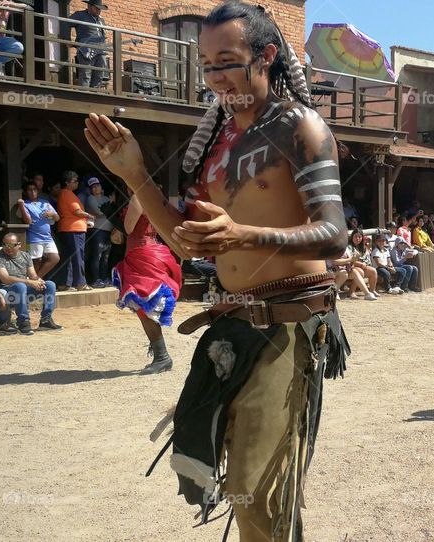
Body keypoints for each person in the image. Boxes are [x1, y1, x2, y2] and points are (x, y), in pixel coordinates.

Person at [84, 3, 349, 539]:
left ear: (266, 55)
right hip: (233, 325)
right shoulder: (216, 146)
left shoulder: (301, 127)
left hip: (287, 326)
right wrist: (135, 175)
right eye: (206, 64)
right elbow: (184, 241)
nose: (214, 77)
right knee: (253, 489)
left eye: (226, 61)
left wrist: (245, 235)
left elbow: (334, 234)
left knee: (256, 487)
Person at [111, 193, 181, 373]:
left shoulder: (138, 196)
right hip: (152, 250)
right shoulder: (155, 198)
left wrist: (115, 219)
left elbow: (128, 228)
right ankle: (160, 354)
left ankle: (162, 356)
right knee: (144, 306)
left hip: (140, 254)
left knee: (144, 307)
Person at [0, 233, 62, 334]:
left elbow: (33, 275)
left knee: (50, 285)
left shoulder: (25, 255)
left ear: (18, 244)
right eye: (4, 245)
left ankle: (46, 320)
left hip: (23, 290)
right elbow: (5, 279)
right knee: (20, 286)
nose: (7, 248)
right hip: (7, 291)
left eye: (11, 245)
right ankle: (23, 322)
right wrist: (29, 282)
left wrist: (38, 281)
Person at [56, 171, 93, 290]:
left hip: (67, 228)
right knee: (78, 256)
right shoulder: (67, 193)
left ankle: (64, 283)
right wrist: (89, 215)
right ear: (67, 182)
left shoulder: (64, 193)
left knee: (68, 257)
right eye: (74, 181)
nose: (77, 183)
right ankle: (80, 283)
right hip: (73, 229)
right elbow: (76, 211)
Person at [16, 181, 60, 278]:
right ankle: (33, 281)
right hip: (34, 237)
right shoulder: (26, 204)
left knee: (55, 258)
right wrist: (21, 206)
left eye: (34, 189)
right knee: (36, 261)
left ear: (38, 191)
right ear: (25, 192)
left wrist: (52, 214)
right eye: (29, 190)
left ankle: (36, 279)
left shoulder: (45, 202)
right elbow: (28, 221)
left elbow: (57, 218)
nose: (32, 192)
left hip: (47, 237)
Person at [63, 0, 109, 88]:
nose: (99, 11)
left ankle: (95, 96)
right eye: (97, 8)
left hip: (100, 50)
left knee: (99, 75)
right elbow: (66, 23)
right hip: (86, 49)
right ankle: (84, 95)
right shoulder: (80, 15)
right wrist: (67, 40)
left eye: (100, 9)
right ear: (89, 6)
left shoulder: (101, 20)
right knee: (85, 75)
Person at [84, 177, 114, 287]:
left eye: (97, 185)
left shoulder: (106, 198)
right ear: (90, 190)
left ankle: (104, 278)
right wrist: (111, 204)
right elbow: (99, 212)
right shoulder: (90, 198)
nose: (96, 188)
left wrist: (110, 206)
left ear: (101, 187)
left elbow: (112, 211)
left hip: (108, 231)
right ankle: (96, 279)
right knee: (97, 256)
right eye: (93, 187)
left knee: (106, 257)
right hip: (97, 231)